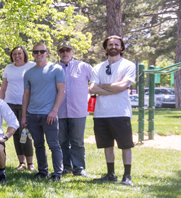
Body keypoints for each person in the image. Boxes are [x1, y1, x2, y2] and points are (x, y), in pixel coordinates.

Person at [90, 36, 136, 186]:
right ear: (105, 48)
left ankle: (127, 176)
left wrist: (103, 86)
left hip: (120, 112)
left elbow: (122, 87)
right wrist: (114, 87)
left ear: (122, 47)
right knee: (107, 145)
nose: (113, 46)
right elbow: (92, 88)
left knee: (125, 145)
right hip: (101, 113)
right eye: (110, 44)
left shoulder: (128, 65)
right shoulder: (97, 67)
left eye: (117, 44)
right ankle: (110, 174)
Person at [21, 43, 66, 181]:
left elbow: (61, 91)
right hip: (33, 115)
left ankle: (57, 173)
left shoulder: (56, 69)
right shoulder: (28, 73)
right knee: (38, 144)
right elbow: (26, 95)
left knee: (53, 144)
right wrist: (24, 116)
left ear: (47, 53)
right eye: (36, 51)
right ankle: (42, 171)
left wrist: (54, 111)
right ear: (33, 54)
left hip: (49, 114)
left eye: (42, 51)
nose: (39, 53)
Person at [57, 46, 93, 177]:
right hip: (59, 112)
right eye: (62, 51)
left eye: (67, 50)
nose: (64, 53)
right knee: (62, 142)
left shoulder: (84, 67)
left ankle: (79, 169)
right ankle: (66, 168)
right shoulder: (54, 68)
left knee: (77, 142)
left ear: (72, 51)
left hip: (78, 111)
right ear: (58, 53)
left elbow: (95, 81)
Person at [0, 46, 35, 170]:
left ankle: (30, 163)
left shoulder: (31, 66)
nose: (17, 56)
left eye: (19, 53)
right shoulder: (8, 68)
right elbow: (3, 87)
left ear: (24, 54)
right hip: (10, 104)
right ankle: (22, 162)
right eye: (14, 54)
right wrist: (0, 103)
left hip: (26, 104)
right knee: (15, 133)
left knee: (25, 132)